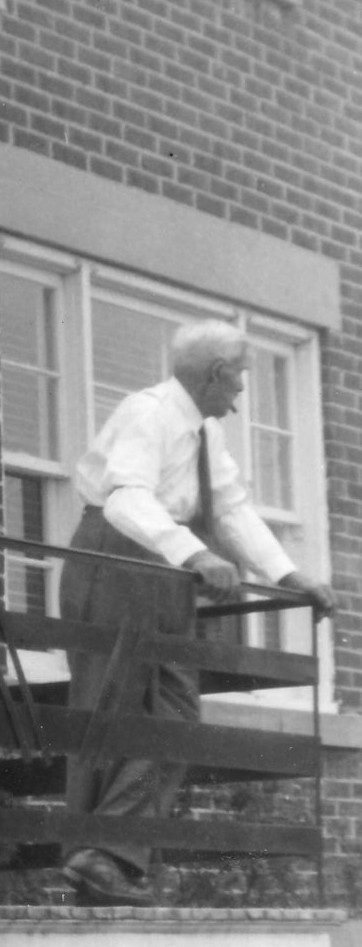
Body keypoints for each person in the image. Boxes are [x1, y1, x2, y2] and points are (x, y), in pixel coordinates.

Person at [61, 319, 335, 906]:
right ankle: (100, 858)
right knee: (116, 704)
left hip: (163, 566)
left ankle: (108, 853)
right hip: (117, 558)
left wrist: (288, 575)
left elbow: (233, 510)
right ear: (215, 374)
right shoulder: (150, 413)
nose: (240, 395)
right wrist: (196, 552)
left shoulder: (206, 435)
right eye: (238, 378)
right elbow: (125, 497)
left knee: (177, 711)